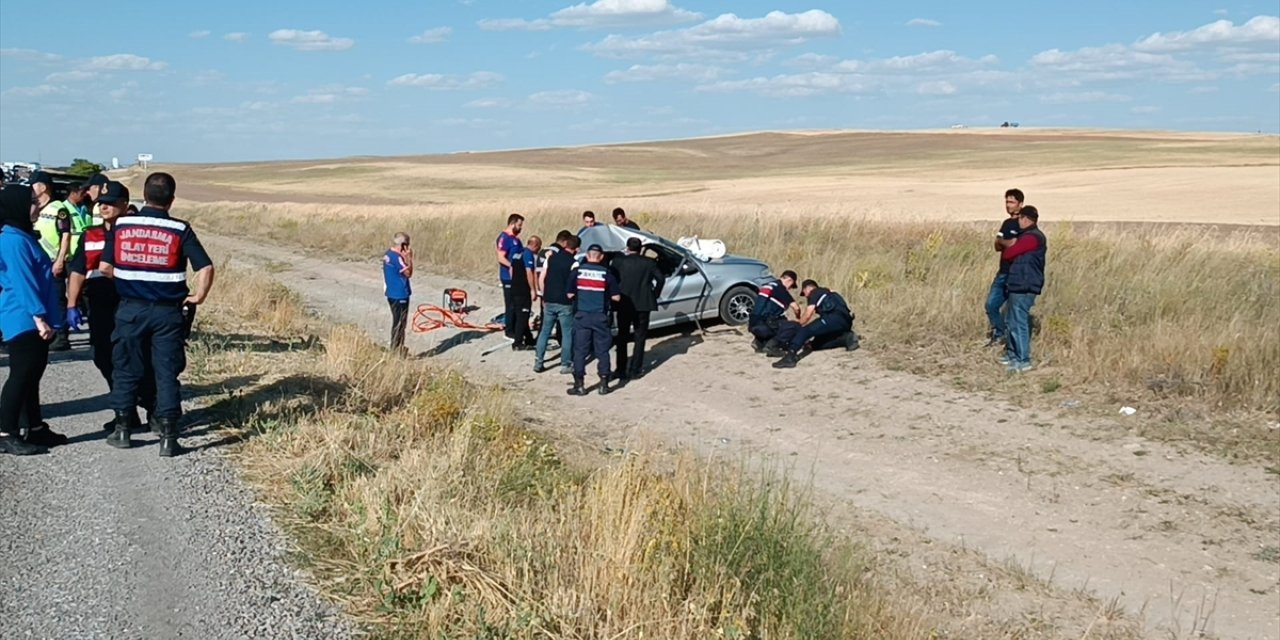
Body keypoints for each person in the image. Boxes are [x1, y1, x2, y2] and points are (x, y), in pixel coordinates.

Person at [100, 172, 215, 456]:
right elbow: (206, 267)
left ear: (145, 195)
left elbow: (104, 267)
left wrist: (130, 279)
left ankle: (123, 429)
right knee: (166, 372)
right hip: (167, 313)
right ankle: (168, 436)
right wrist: (198, 296)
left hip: (130, 309)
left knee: (126, 369)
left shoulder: (122, 224)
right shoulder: (180, 229)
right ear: (171, 200)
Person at [65, 181, 157, 430]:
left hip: (132, 302)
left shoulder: (138, 232)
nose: (105, 207)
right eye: (101, 203)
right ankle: (125, 411)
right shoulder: (90, 234)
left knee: (138, 357)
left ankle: (152, 408)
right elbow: (77, 270)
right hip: (99, 303)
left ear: (125, 205)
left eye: (111, 203)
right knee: (104, 357)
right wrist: (71, 304)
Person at [0, 185, 66, 454]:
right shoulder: (12, 239)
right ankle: (5, 432)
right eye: (31, 202)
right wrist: (39, 318)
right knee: (21, 374)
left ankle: (35, 427)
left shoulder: (23, 235)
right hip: (23, 316)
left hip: (32, 315)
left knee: (33, 373)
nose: (37, 206)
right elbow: (22, 282)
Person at [566, 243, 620, 396]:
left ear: (587, 256)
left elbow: (569, 295)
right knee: (602, 350)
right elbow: (616, 297)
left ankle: (579, 385)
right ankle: (604, 384)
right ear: (601, 257)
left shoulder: (577, 272)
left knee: (580, 351)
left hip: (582, 316)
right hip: (600, 317)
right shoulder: (607, 274)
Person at [30, 171, 74, 351]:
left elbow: (66, 235)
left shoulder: (59, 209)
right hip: (36, 261)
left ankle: (61, 336)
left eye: (34, 184)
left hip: (52, 260)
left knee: (57, 299)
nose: (31, 189)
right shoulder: (34, 208)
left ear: (43, 186)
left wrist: (60, 260)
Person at [1000, 206, 1046, 372]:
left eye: (1020, 218)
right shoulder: (1029, 236)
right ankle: (1013, 356)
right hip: (1019, 282)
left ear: (1026, 219)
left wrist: (1007, 244)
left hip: (1025, 284)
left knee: (1018, 322)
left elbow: (1009, 253)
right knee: (1012, 321)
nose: (1018, 221)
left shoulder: (1032, 238)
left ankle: (1023, 359)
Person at [611, 236, 664, 381]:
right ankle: (635, 369)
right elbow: (661, 279)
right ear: (640, 249)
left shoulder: (619, 262)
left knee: (622, 337)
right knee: (640, 337)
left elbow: (612, 278)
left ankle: (620, 369)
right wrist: (654, 294)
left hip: (624, 303)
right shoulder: (649, 263)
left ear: (628, 248)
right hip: (643, 303)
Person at [773, 280, 856, 369]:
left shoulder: (815, 292)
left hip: (833, 318)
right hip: (846, 322)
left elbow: (808, 314)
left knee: (805, 331)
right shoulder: (832, 293)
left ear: (807, 288)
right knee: (816, 344)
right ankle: (845, 338)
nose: (805, 296)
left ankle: (790, 356)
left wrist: (798, 324)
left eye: (804, 293)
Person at [534, 234, 579, 374]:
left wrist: (543, 294)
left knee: (545, 331)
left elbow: (543, 277)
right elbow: (574, 284)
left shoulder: (551, 258)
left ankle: (538, 362)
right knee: (567, 333)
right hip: (565, 302)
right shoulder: (574, 263)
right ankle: (565, 364)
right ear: (576, 248)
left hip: (549, 299)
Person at [985, 188, 1023, 346]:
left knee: (1013, 310)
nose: (1008, 205)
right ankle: (1000, 333)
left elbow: (1016, 246)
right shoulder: (1007, 223)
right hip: (1003, 271)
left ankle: (1011, 342)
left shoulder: (1023, 223)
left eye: (1012, 202)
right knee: (991, 305)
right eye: (1006, 201)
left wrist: (1005, 242)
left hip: (1016, 273)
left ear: (1020, 204)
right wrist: (1006, 242)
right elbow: (997, 245)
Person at [496, 214, 534, 350]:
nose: (521, 228)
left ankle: (520, 330)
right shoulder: (504, 238)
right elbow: (500, 257)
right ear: (512, 224)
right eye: (519, 225)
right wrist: (511, 266)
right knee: (511, 304)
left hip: (518, 277)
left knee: (519, 305)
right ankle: (509, 330)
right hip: (508, 277)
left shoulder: (516, 240)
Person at [748, 270, 801, 354]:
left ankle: (759, 343)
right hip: (766, 324)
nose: (789, 288)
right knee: (794, 326)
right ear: (789, 280)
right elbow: (796, 307)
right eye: (791, 286)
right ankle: (772, 347)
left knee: (780, 320)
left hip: (753, 324)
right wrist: (799, 317)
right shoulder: (780, 288)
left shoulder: (768, 285)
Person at [383, 232, 413, 354]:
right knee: (400, 323)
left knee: (397, 321)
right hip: (400, 294)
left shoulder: (388, 255)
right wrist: (409, 259)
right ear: (403, 245)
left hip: (391, 293)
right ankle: (396, 349)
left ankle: (397, 347)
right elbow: (408, 273)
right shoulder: (398, 258)